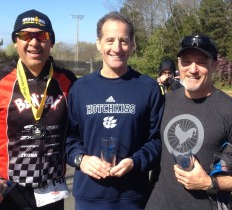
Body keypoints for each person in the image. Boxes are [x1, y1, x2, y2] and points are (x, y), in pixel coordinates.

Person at [0, 9, 76, 210]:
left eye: (42, 35)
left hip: (52, 191)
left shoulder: (68, 81)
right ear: (15, 41)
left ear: (51, 42)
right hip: (8, 191)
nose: (34, 42)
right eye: (25, 35)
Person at [145, 34, 232, 210]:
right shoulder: (165, 101)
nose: (193, 69)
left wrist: (210, 183)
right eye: (186, 61)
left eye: (201, 62)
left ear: (214, 65)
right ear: (179, 64)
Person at [65, 11, 164, 210]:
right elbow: (68, 139)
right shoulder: (80, 88)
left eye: (124, 41)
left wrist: (135, 162)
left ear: (133, 45)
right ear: (98, 44)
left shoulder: (148, 88)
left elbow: (157, 141)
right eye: (110, 40)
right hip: (89, 195)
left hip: (133, 196)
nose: (117, 48)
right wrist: (81, 159)